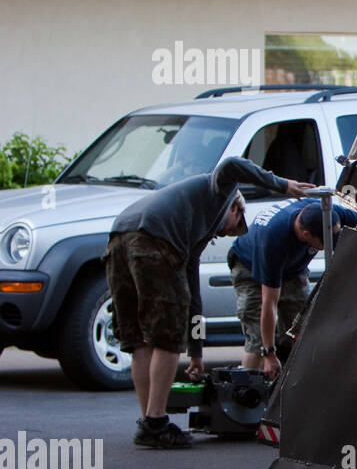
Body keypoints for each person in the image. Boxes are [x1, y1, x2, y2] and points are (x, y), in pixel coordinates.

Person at [104, 157, 314, 448]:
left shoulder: (192, 234)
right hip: (153, 239)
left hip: (119, 238)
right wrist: (283, 185)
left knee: (140, 338)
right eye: (231, 228)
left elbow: (193, 298)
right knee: (166, 337)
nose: (223, 234)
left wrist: (197, 353)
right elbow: (230, 165)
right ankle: (155, 421)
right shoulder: (220, 192)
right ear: (235, 208)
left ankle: (149, 423)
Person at [226, 199, 357, 379]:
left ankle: (292, 394)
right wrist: (270, 353)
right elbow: (269, 304)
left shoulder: (327, 211)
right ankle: (246, 395)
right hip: (250, 269)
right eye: (324, 242)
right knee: (258, 340)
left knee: (302, 331)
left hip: (292, 269)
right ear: (305, 234)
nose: (331, 244)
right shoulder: (273, 240)